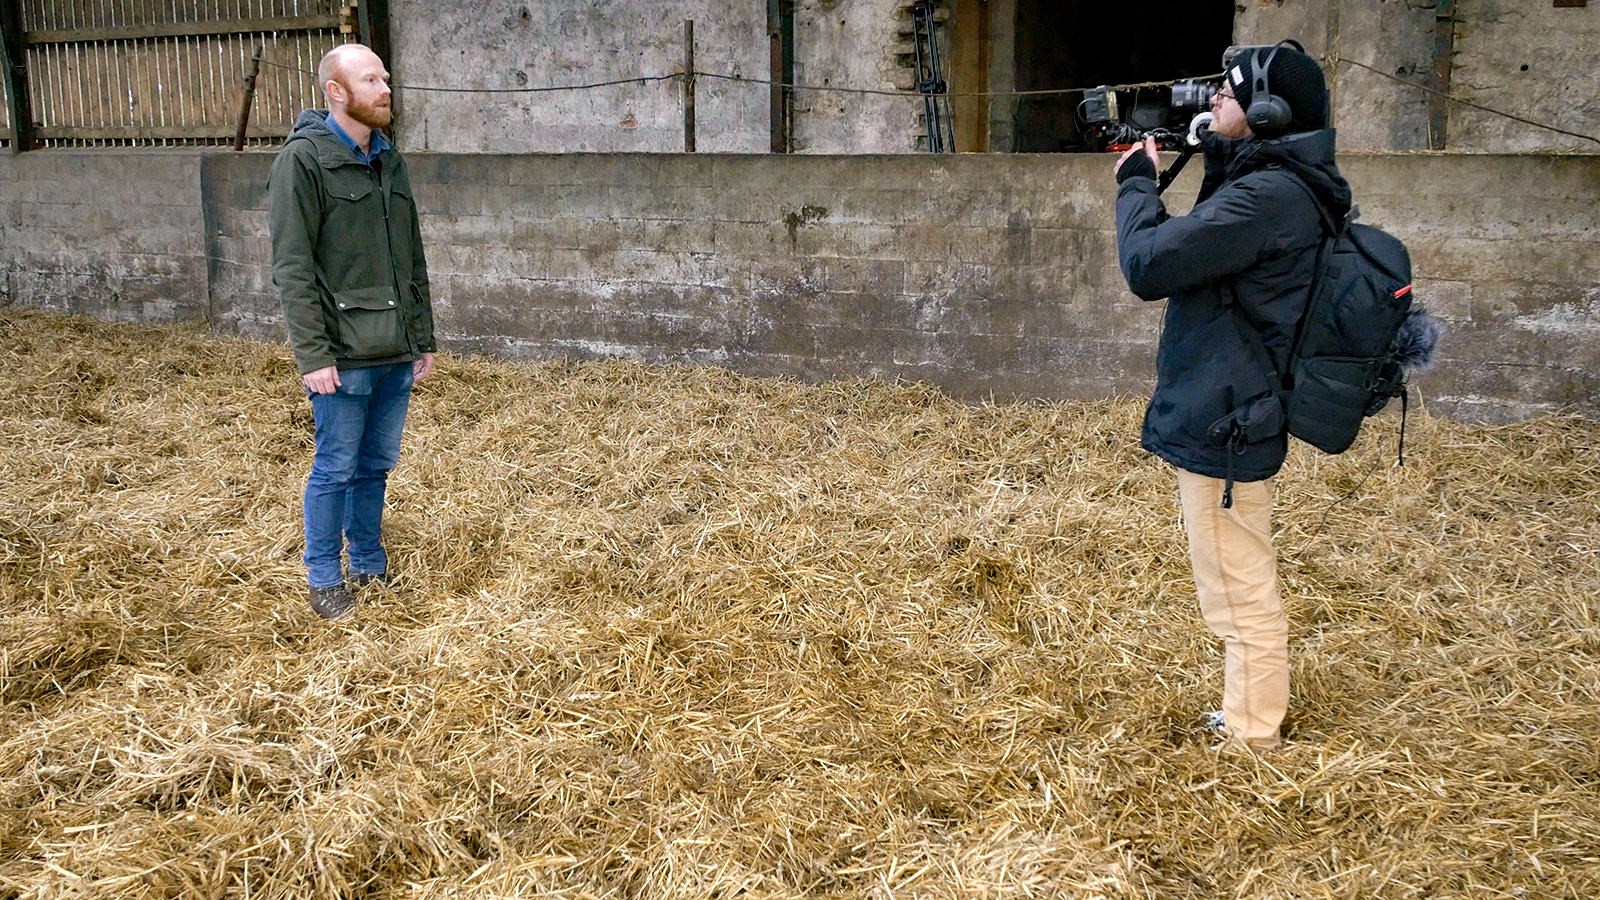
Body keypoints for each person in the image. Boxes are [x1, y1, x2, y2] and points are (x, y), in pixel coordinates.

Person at [1111, 41, 1351, 751]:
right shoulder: (1277, 183)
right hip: (1234, 403)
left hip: (1229, 415)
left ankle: (1252, 734)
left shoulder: (1269, 198)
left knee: (1238, 583)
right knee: (1233, 570)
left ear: (1269, 113)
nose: (1212, 99)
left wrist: (1134, 183)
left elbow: (1150, 263)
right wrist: (1220, 148)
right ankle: (1247, 713)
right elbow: (1214, 246)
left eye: (1230, 94)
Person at [269, 43, 436, 620]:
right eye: (371, 81)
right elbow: (292, 266)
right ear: (337, 92)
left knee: (376, 464)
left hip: (394, 348)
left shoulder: (389, 158)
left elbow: (409, 256)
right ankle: (323, 575)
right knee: (335, 466)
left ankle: (368, 559)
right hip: (342, 352)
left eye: (385, 78)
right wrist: (313, 354)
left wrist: (422, 338)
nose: (385, 89)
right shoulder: (305, 160)